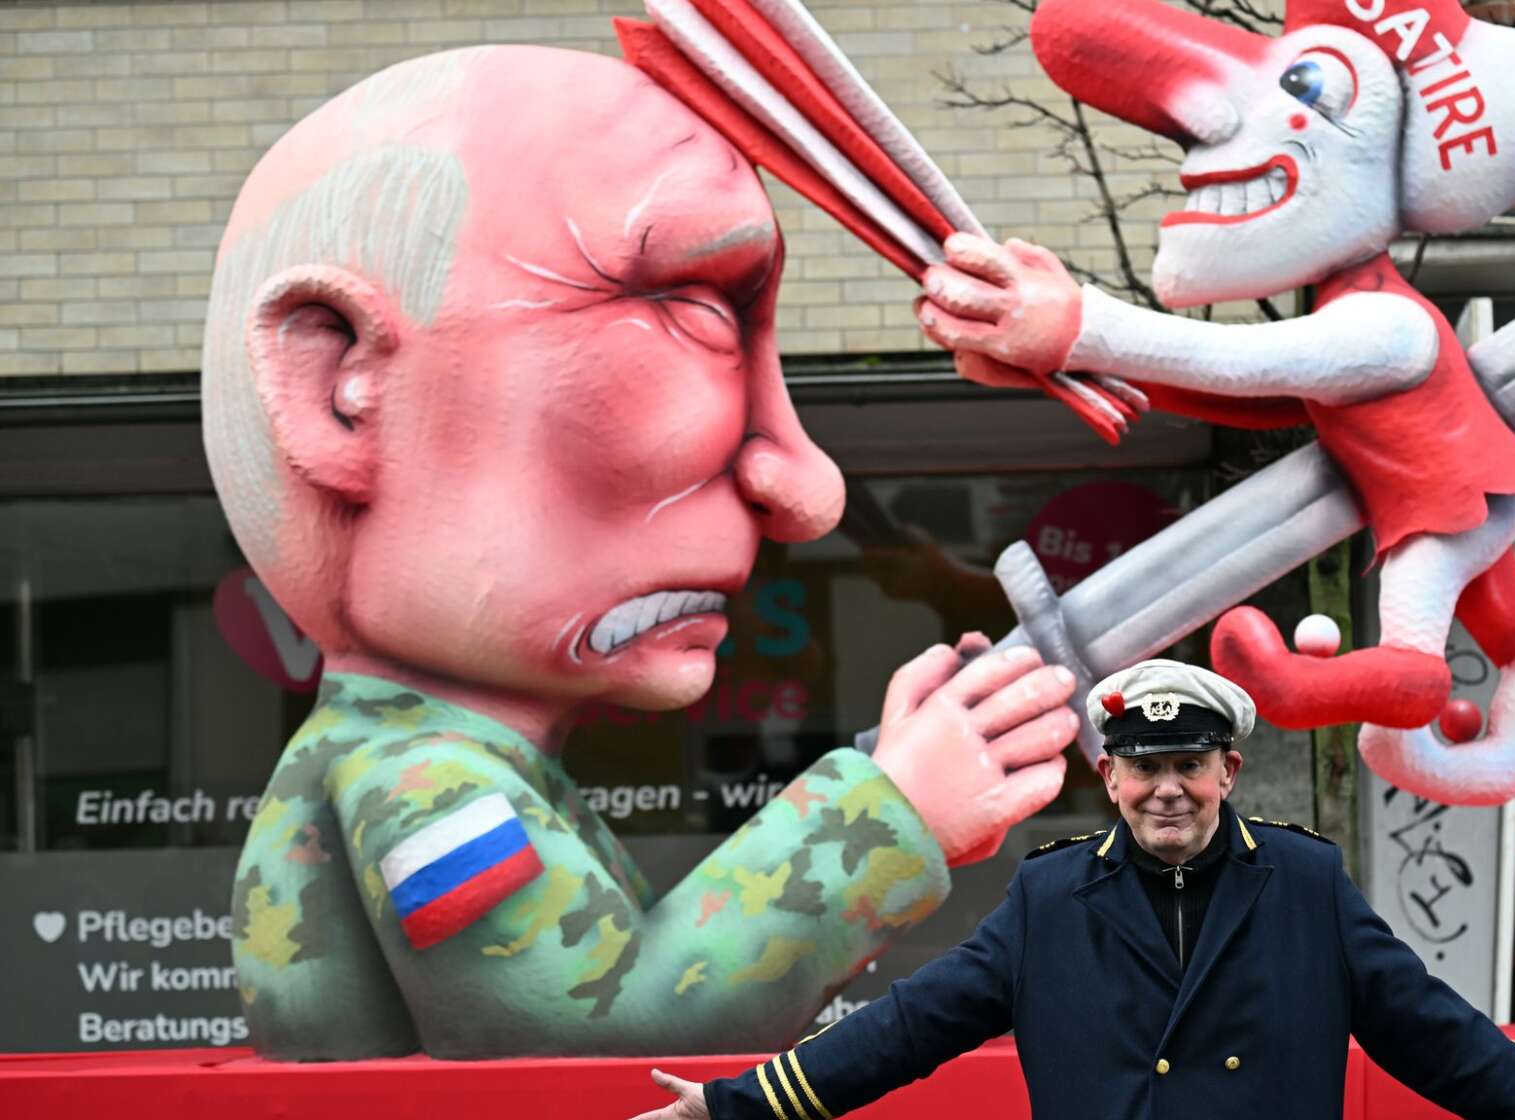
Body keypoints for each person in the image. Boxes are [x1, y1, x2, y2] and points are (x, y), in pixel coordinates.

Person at [205, 46, 1078, 1059]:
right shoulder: (423, 783)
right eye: (692, 308)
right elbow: (595, 1039)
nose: (807, 492)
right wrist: (891, 814)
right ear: (341, 391)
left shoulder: (439, 762)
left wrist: (889, 779)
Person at [634, 660, 1515, 1120]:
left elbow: (1435, 1034)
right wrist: (737, 1106)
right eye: (1144, 768)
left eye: (1189, 765)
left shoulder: (1305, 884)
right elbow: (907, 1027)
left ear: (1229, 770)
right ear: (1110, 776)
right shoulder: (1049, 900)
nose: (1167, 788)